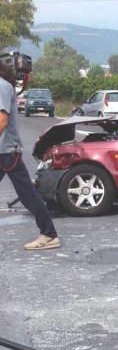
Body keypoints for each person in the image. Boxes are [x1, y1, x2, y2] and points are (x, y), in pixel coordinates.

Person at [0, 62, 59, 250]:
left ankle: (49, 235)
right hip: (4, 151)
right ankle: (49, 233)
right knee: (27, 194)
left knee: (27, 195)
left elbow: (2, 119)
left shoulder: (1, 86)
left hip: (7, 151)